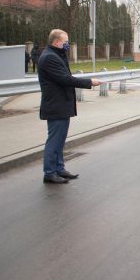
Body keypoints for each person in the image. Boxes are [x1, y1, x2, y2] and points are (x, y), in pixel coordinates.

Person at [38, 29, 100, 183]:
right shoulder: (49, 58)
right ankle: (49, 172)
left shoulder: (57, 55)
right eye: (65, 42)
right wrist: (89, 82)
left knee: (60, 140)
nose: (67, 45)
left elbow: (67, 77)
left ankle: (59, 169)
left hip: (61, 105)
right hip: (55, 105)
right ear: (56, 42)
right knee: (54, 140)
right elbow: (65, 79)